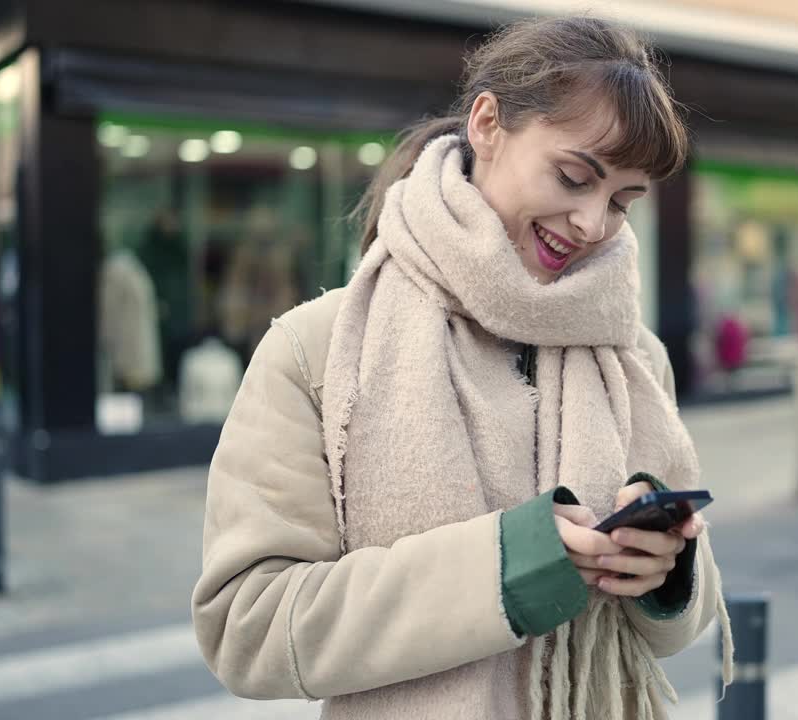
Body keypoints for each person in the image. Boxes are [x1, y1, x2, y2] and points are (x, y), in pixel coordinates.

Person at [191, 16, 734, 720]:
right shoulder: (317, 349)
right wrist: (501, 570)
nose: (593, 224)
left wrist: (664, 574)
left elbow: (679, 630)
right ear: (487, 123)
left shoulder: (633, 355)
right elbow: (246, 626)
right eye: (574, 177)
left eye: (622, 201)